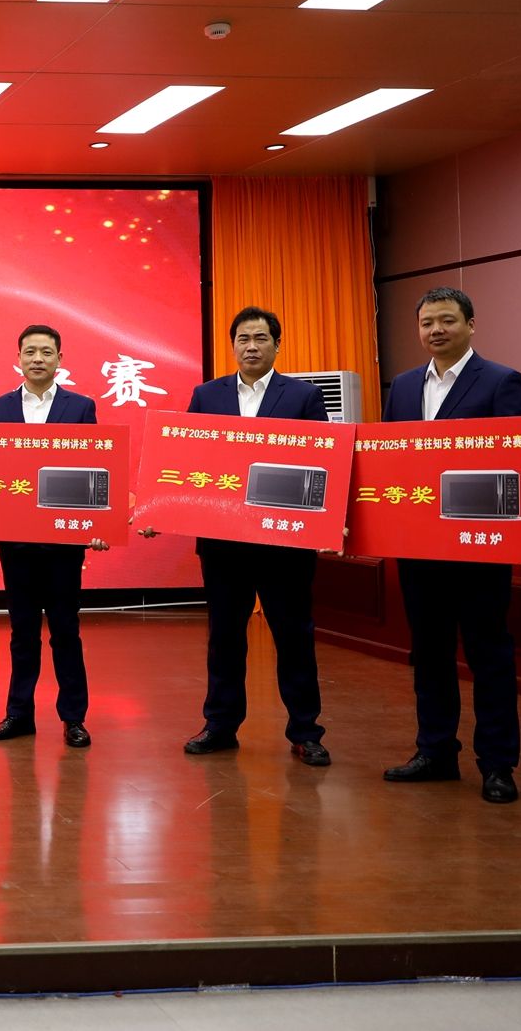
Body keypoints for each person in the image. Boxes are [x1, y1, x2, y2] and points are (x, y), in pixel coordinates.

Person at [158, 306, 332, 767]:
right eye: (243, 339)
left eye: (260, 338)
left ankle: (305, 731)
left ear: (277, 345)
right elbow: (186, 459)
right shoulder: (206, 395)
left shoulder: (303, 396)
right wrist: (161, 506)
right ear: (232, 345)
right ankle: (220, 725)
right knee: (225, 637)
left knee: (293, 636)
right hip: (223, 544)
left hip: (284, 544)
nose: (251, 346)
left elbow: (322, 463)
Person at [382, 287, 521, 804]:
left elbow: (517, 461)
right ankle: (436, 751)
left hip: (478, 547)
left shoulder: (500, 381)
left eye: (447, 320)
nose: (436, 330)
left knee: (489, 656)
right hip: (418, 549)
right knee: (429, 654)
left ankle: (498, 764)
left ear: (471, 324)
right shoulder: (403, 386)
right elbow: (391, 462)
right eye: (427, 323)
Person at [0, 324, 105, 748]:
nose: (38, 359)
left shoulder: (81, 407)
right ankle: (19, 714)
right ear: (19, 358)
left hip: (63, 543)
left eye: (46, 351)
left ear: (60, 359)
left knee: (65, 630)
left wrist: (99, 526)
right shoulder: (0, 408)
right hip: (16, 542)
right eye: (30, 352)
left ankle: (73, 717)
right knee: (22, 632)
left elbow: (96, 469)